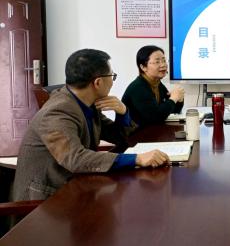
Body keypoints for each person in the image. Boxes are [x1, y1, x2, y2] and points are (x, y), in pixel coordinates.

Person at [13, 49, 170, 201]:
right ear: (98, 82)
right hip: (46, 200)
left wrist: (123, 112)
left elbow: (118, 137)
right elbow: (76, 158)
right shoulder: (58, 112)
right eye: (112, 76)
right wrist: (137, 159)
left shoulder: (86, 103)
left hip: (78, 185)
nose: (112, 81)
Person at [122, 45, 184, 126]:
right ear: (143, 67)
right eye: (157, 62)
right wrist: (173, 98)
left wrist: (179, 100)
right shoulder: (138, 87)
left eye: (164, 60)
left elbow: (170, 111)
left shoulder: (157, 83)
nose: (163, 65)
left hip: (150, 130)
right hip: (135, 132)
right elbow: (155, 117)